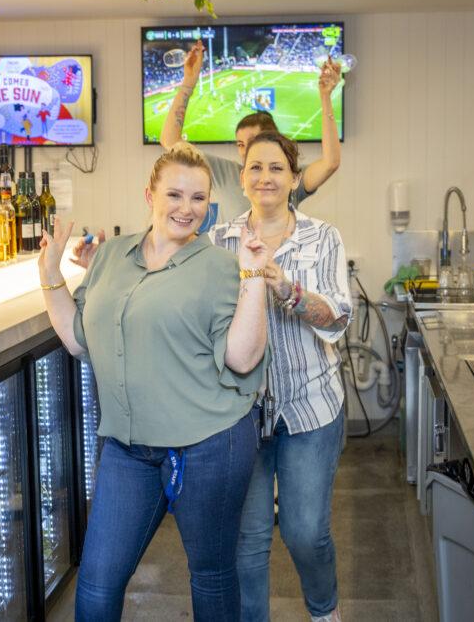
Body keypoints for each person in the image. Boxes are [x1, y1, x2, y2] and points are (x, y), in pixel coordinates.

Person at [37, 142, 271, 622]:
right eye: (175, 195)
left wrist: (255, 276)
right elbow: (80, 340)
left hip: (210, 445)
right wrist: (49, 275)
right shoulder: (111, 256)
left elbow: (244, 358)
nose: (187, 209)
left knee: (211, 575)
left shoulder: (223, 266)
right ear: (149, 196)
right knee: (98, 583)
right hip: (127, 448)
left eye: (199, 198)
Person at [210, 131, 353, 622]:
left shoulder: (323, 237)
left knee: (304, 531)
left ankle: (324, 610)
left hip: (310, 407)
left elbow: (337, 318)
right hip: (240, 413)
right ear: (242, 178)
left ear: (295, 179)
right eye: (255, 167)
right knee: (247, 540)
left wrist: (286, 288)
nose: (265, 176)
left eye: (276, 168)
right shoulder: (219, 240)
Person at [160, 39, 342, 230]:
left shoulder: (287, 178)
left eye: (253, 142)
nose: (246, 151)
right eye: (240, 144)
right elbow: (170, 140)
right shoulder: (225, 172)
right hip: (229, 261)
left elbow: (330, 163)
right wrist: (188, 82)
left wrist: (325, 97)